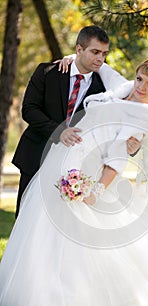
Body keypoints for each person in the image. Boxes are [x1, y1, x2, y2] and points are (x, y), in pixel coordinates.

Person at [0, 57, 148, 306]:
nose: (141, 87)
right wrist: (73, 57)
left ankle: (76, 293)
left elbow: (117, 158)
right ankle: (39, 282)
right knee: (42, 221)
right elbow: (101, 66)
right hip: (65, 155)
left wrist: (98, 190)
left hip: (91, 169)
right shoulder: (123, 87)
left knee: (79, 231)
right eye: (140, 79)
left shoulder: (146, 117)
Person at [12, 25, 140, 217]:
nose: (100, 59)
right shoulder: (48, 72)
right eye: (95, 52)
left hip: (74, 167)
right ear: (79, 49)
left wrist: (133, 146)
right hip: (36, 156)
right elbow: (29, 110)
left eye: (104, 54)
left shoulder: (105, 89)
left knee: (61, 224)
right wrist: (58, 131)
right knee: (27, 219)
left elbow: (119, 124)